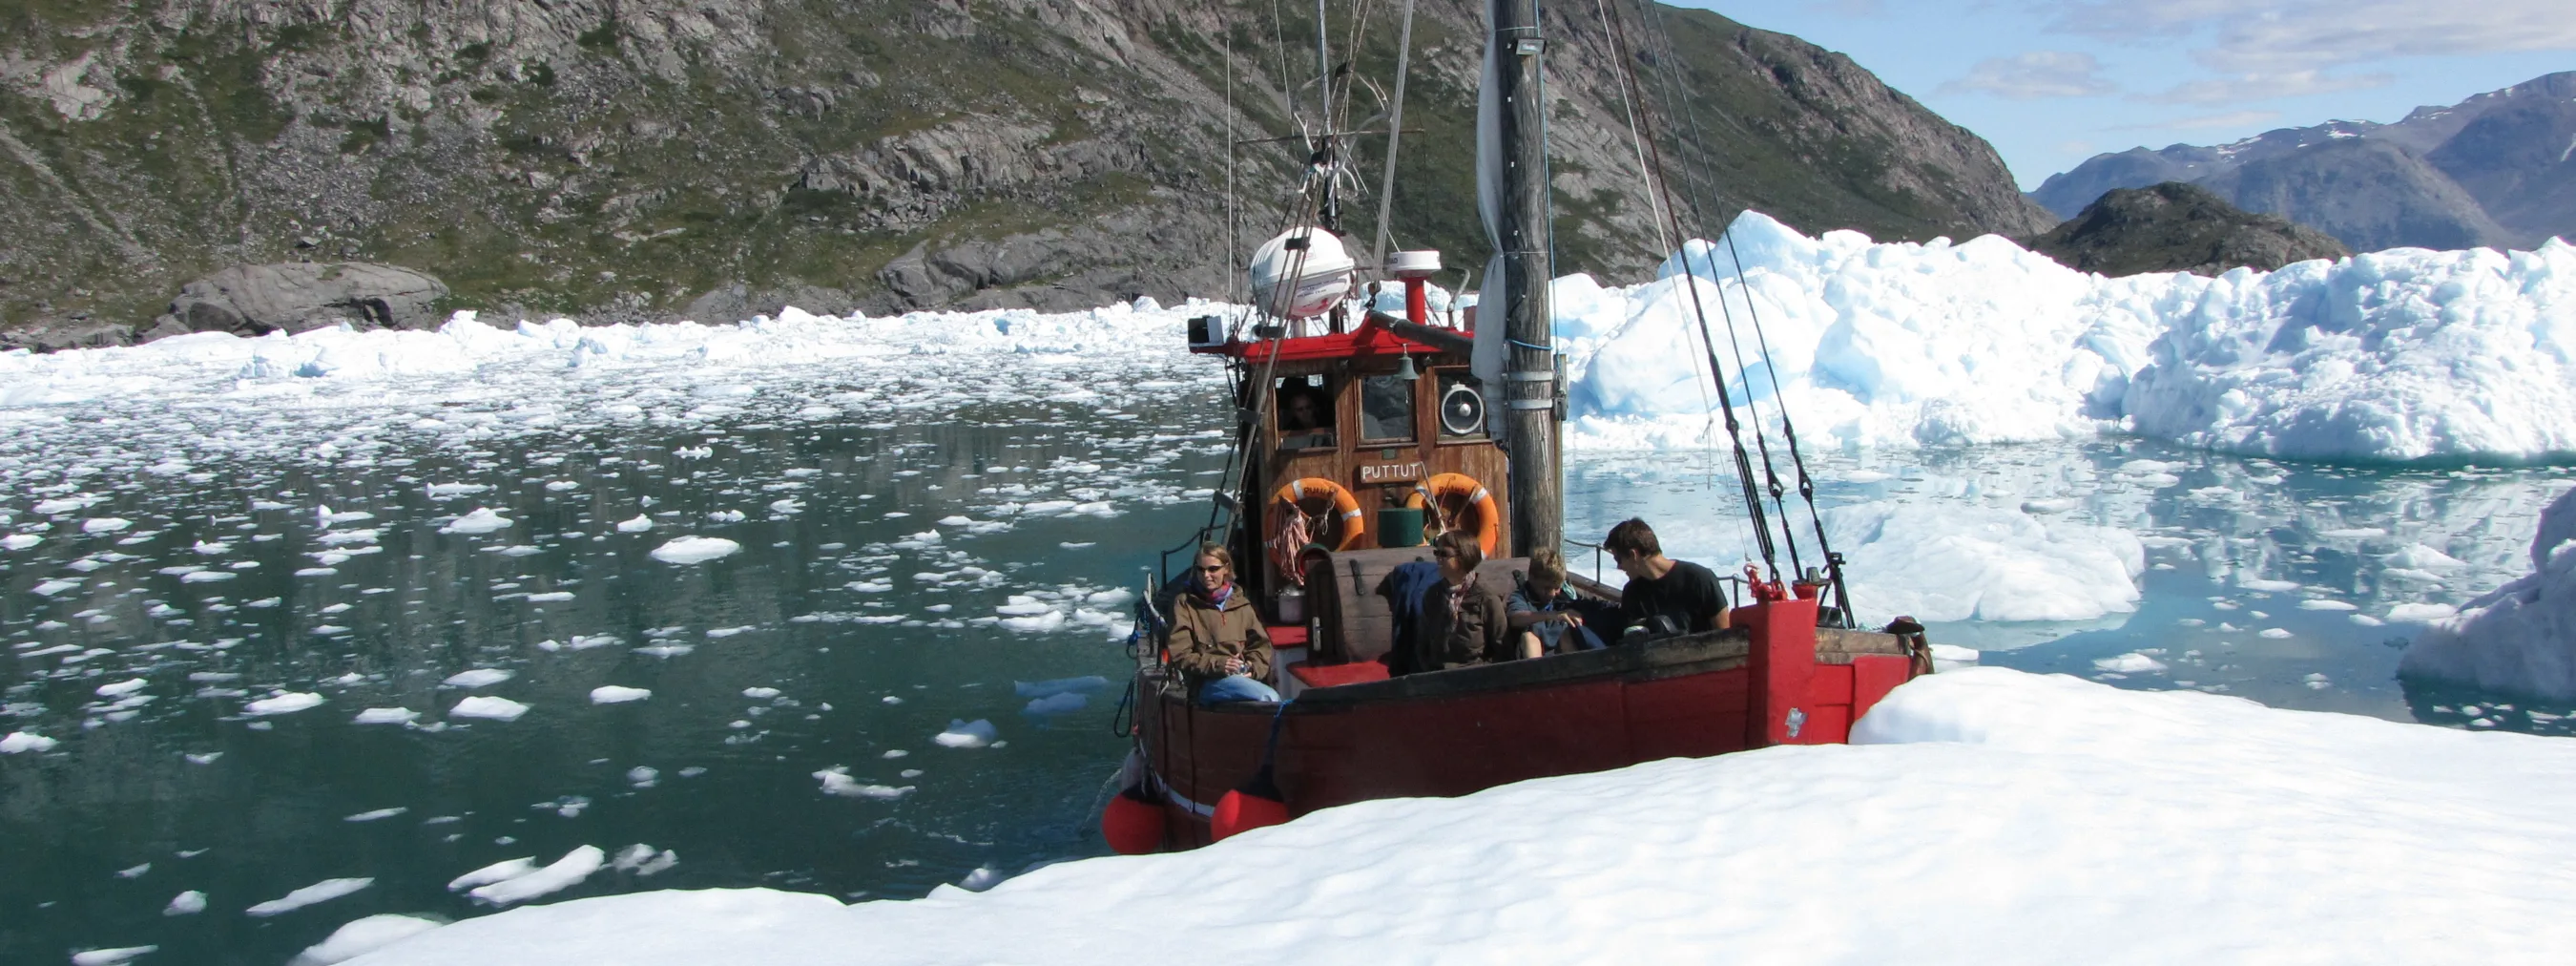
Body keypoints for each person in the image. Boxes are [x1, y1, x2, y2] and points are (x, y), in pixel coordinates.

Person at [1166, 544, 1280, 704]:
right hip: (1206, 683)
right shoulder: (1184, 604)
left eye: (1213, 569)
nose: (1206, 575)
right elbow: (1181, 655)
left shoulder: (1240, 603)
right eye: (1200, 569)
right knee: (1268, 698)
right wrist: (1220, 665)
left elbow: (1260, 646)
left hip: (1242, 679)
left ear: (1226, 568)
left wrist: (1252, 669)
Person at [1604, 518, 1732, 640]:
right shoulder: (1631, 593)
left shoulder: (1700, 579)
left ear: (1633, 555)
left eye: (1618, 560)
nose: (1619, 567)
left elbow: (1725, 636)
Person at [1420, 531, 1511, 668]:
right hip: (1437, 677)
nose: (1438, 558)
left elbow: (1503, 648)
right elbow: (1422, 644)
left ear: (1463, 558)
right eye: (1436, 553)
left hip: (1474, 676)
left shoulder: (1486, 598)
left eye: (1444, 554)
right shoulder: (1433, 595)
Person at [1508, 547, 1607, 658]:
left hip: (1559, 648)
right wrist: (1550, 615)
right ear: (1532, 579)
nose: (1552, 594)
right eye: (1547, 588)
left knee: (1569, 633)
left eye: (1556, 588)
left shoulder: (1565, 596)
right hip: (1532, 651)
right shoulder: (1521, 596)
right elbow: (1515, 619)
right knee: (1529, 638)